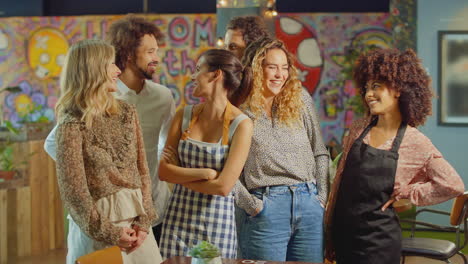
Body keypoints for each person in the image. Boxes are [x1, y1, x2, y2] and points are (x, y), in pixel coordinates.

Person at [325, 48, 465, 264]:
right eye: (366, 88)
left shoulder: (415, 141)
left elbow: (452, 184)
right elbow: (339, 183)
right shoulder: (358, 129)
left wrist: (409, 192)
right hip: (345, 236)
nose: (368, 94)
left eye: (376, 87)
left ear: (398, 89)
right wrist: (329, 231)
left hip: (378, 244)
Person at [44, 15, 175, 244]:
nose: (157, 58)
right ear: (128, 55)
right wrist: (96, 176)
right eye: (150, 51)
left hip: (151, 207)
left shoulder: (160, 98)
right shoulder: (89, 108)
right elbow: (56, 149)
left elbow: (156, 154)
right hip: (104, 215)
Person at [54, 39, 162, 264]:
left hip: (138, 228)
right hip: (96, 232)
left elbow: (142, 171)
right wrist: (110, 233)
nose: (118, 70)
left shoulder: (127, 112)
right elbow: (74, 193)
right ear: (93, 70)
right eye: (111, 64)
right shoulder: (71, 124)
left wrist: (144, 221)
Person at [234, 37, 329, 262]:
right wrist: (252, 205)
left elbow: (320, 151)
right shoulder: (238, 108)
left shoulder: (300, 99)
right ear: (256, 68)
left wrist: (322, 197)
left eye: (285, 68)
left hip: (309, 205)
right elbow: (225, 167)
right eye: (272, 67)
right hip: (265, 208)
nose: (280, 75)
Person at [158, 49, 253, 259]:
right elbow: (163, 172)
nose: (193, 76)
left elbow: (223, 187)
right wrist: (205, 173)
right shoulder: (183, 115)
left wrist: (180, 175)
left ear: (216, 75)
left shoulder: (242, 125)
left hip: (217, 226)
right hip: (177, 222)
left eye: (198, 69)